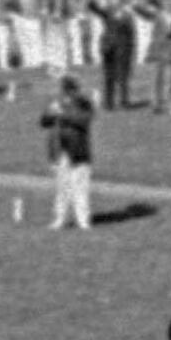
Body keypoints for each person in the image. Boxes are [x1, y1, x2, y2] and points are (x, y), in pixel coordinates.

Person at [42, 72, 97, 230]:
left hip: (78, 149)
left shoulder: (84, 103)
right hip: (59, 149)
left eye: (69, 89)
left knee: (80, 187)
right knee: (62, 186)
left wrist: (62, 114)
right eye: (66, 89)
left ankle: (83, 220)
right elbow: (44, 122)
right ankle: (60, 219)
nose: (68, 93)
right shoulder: (56, 102)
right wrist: (50, 113)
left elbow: (83, 120)